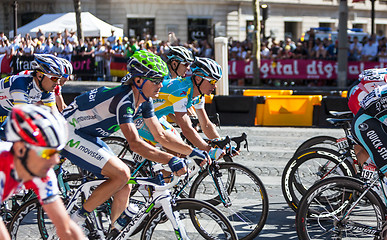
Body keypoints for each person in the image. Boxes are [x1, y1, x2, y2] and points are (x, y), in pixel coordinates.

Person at [60, 50, 208, 235]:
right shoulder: (125, 101)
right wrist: (170, 159)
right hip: (68, 132)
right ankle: (75, 220)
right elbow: (135, 144)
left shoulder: (145, 101)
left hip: (87, 133)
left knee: (125, 183)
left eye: (161, 80)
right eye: (155, 81)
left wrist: (191, 152)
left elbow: (160, 135)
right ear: (138, 81)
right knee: (122, 173)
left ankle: (114, 232)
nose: (161, 85)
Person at [0, 104, 84, 240]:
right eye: (47, 153)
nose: (55, 160)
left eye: (57, 152)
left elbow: (66, 228)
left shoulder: (42, 173)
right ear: (20, 149)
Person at [136, 56, 225, 159]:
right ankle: (163, 174)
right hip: (139, 115)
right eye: (212, 82)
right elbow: (186, 129)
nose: (215, 86)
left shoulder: (199, 94)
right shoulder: (181, 91)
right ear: (198, 78)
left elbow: (206, 125)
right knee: (174, 152)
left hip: (155, 117)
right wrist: (208, 150)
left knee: (181, 150)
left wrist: (221, 144)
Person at [0, 54, 65, 137]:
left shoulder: (46, 89)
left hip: (6, 112)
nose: (58, 83)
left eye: (59, 79)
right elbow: (23, 115)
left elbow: (55, 114)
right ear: (39, 75)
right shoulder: (21, 83)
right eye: (54, 78)